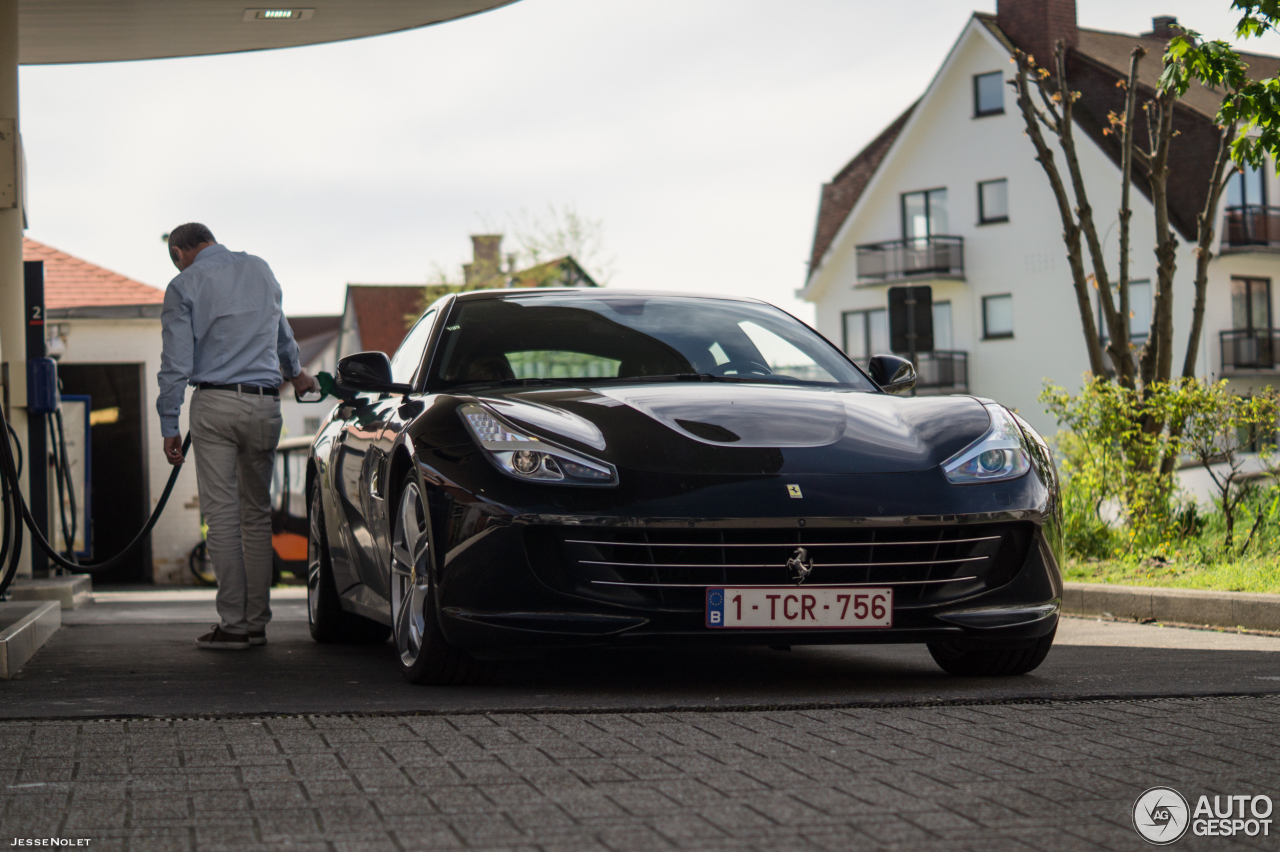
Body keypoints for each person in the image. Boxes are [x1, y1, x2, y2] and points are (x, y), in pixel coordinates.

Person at [157, 223, 319, 650]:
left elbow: (175, 362)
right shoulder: (260, 270)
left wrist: (169, 423)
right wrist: (297, 375)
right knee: (256, 516)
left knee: (223, 518)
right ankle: (256, 624)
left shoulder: (183, 284)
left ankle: (233, 624)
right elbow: (282, 333)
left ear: (180, 251)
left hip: (215, 404)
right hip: (266, 404)